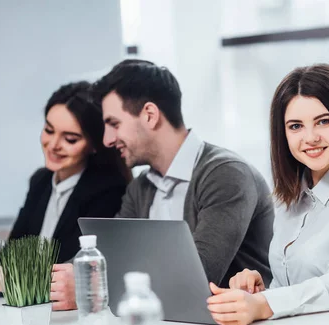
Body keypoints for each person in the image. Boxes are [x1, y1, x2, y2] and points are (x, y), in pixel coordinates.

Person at [207, 64, 329, 325]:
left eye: (323, 121)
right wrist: (259, 292)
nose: (310, 137)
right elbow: (291, 292)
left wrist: (265, 305)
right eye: (296, 126)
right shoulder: (287, 201)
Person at [92, 59, 274, 288]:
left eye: (114, 124)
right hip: (170, 322)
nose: (107, 140)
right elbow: (110, 252)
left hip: (235, 322)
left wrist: (94, 280)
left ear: (150, 115)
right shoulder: (141, 188)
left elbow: (195, 278)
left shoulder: (226, 174)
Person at [0, 82, 132, 311]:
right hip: (27, 309)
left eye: (70, 139)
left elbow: (73, 273)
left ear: (94, 145)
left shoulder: (109, 191)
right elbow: (16, 249)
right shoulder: (40, 181)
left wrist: (4, 279)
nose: (53, 145)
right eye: (49, 130)